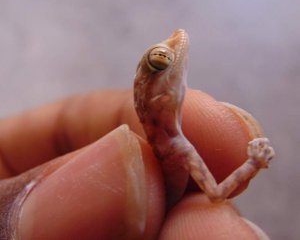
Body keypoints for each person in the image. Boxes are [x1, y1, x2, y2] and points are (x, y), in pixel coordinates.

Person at [0, 89, 269, 239]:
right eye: (162, 60)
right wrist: (253, 163)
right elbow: (216, 193)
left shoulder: (172, 146)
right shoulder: (176, 148)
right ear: (160, 99)